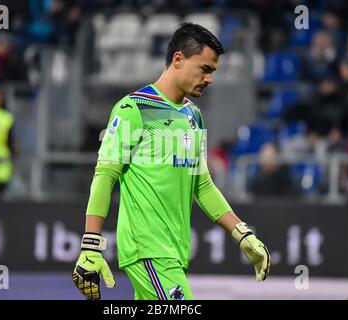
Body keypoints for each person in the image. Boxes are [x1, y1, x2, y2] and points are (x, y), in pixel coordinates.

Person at [72, 23, 271, 300]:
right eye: (205, 68)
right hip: (148, 250)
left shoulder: (194, 116)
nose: (210, 78)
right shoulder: (133, 108)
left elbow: (202, 185)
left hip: (175, 253)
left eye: (213, 71)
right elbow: (105, 175)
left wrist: (242, 234)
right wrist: (91, 246)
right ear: (178, 59)